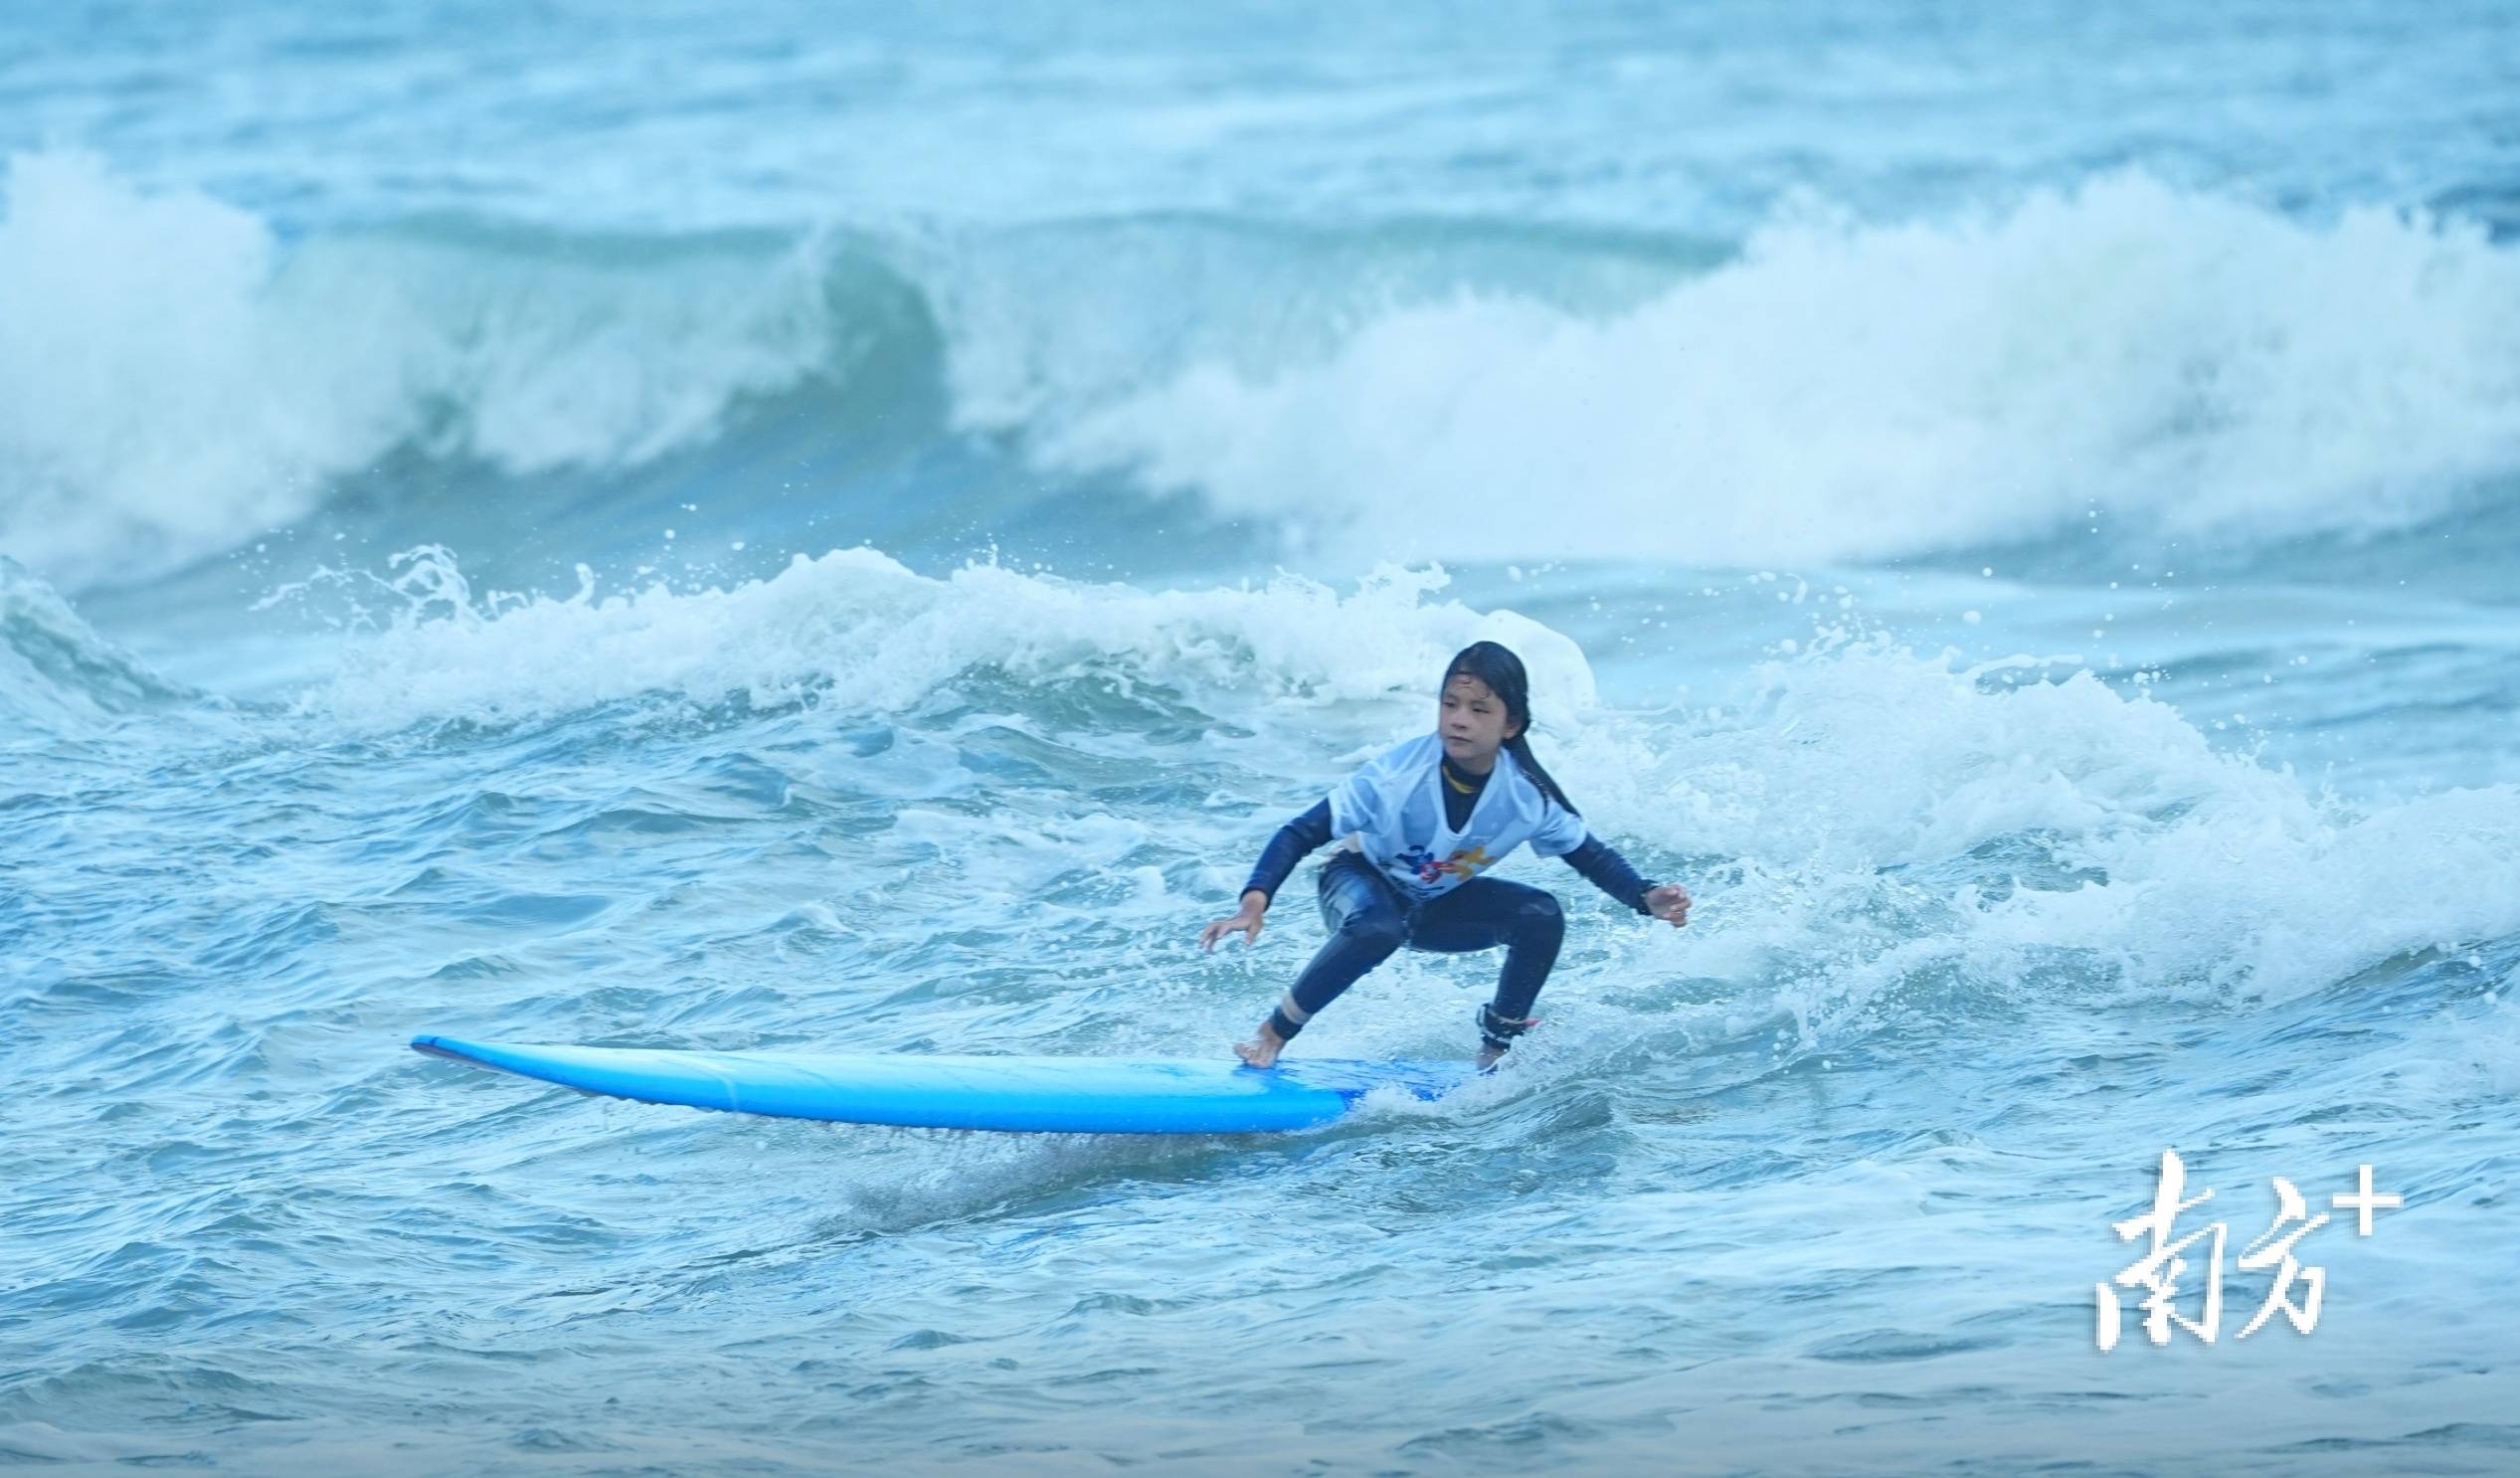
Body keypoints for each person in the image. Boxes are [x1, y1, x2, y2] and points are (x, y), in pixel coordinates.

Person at [1198, 640, 1691, 1069]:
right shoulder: (1397, 776)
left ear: (1510, 724)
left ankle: (1498, 1044)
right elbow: (1300, 832)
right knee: (1378, 927)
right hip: (1354, 880)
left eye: (1479, 710)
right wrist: (1253, 903)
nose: (1459, 720)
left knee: (1541, 915)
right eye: (1450, 704)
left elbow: (1591, 857)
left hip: (1432, 905)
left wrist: (1644, 896)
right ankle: (1272, 1034)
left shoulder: (1527, 794)